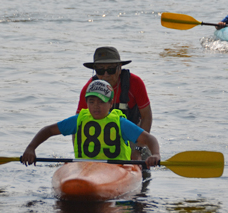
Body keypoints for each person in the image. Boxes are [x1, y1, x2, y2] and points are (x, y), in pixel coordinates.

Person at [21, 80, 161, 168]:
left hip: (116, 169)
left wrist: (155, 155)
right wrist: (31, 148)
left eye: (101, 102)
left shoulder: (120, 123)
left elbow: (150, 139)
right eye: (91, 102)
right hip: (85, 168)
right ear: (86, 102)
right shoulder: (79, 119)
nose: (96, 106)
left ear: (111, 103)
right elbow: (49, 130)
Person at [76, 47, 153, 160]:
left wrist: (138, 149)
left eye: (111, 69)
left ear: (119, 68)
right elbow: (78, 124)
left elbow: (147, 117)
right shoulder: (88, 90)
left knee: (143, 164)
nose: (106, 75)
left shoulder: (135, 83)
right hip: (100, 137)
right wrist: (79, 155)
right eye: (100, 71)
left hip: (132, 136)